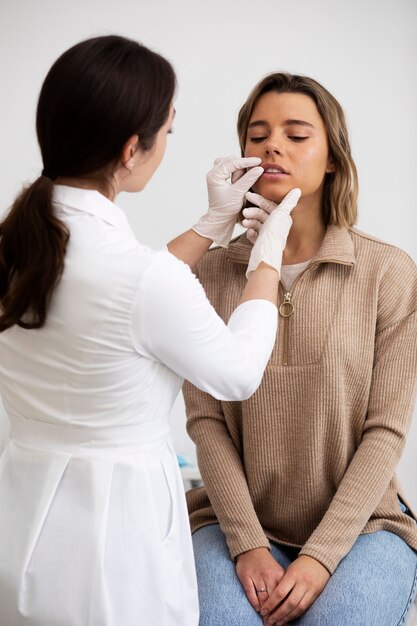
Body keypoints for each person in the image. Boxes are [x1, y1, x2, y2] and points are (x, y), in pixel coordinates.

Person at [0, 39, 301, 626]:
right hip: (113, 546)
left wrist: (210, 226)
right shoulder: (141, 277)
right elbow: (236, 373)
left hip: (20, 516)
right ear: (131, 148)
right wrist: (267, 259)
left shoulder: (16, 248)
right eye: (167, 130)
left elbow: (115, 299)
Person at [183, 72, 417, 626]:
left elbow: (385, 430)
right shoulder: (209, 273)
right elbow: (206, 421)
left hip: (362, 526)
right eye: (258, 134)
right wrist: (247, 544)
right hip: (233, 523)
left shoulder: (388, 272)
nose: (272, 146)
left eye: (296, 134)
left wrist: (320, 557)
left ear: (332, 156)